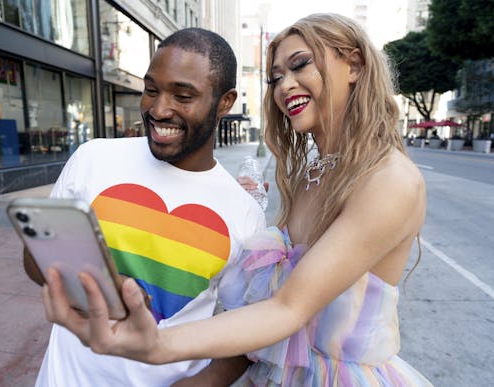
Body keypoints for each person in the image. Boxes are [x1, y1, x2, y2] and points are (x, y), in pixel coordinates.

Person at [42, 13, 433, 386]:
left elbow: (288, 308)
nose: (284, 85)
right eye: (275, 77)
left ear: (355, 66)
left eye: (300, 66)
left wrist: (159, 345)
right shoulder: (314, 172)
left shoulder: (390, 180)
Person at [27, 27, 267, 386]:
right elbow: (34, 262)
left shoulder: (244, 214)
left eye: (183, 96)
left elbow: (245, 334)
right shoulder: (93, 157)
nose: (158, 109)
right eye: (151, 89)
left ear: (225, 102)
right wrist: (104, 284)